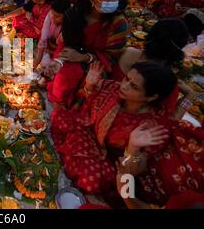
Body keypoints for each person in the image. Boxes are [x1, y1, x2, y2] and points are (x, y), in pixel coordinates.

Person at [51, 61, 179, 202]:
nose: (124, 85)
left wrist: (133, 147)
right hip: (86, 132)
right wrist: (89, 86)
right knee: (58, 114)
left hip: (107, 159)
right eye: (126, 78)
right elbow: (81, 108)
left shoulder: (154, 127)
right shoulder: (111, 87)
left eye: (134, 86)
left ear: (151, 97)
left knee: (90, 181)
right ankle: (73, 153)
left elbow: (134, 171)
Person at [46, 0, 129, 108]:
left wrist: (85, 57)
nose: (114, 0)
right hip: (72, 54)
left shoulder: (118, 23)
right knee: (64, 72)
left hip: (99, 63)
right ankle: (60, 102)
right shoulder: (74, 15)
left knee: (86, 80)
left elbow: (112, 57)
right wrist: (58, 61)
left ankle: (76, 107)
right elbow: (67, 45)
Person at [116, 18, 197, 120]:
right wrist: (190, 95)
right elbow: (170, 120)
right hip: (132, 128)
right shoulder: (165, 79)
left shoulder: (128, 52)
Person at [34, 0, 72, 70]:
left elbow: (65, 52)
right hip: (50, 47)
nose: (53, 18)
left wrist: (50, 51)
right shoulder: (50, 16)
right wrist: (35, 64)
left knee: (52, 67)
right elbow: (43, 40)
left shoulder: (70, 26)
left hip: (61, 54)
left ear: (66, 15)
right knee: (43, 61)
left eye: (57, 16)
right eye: (53, 14)